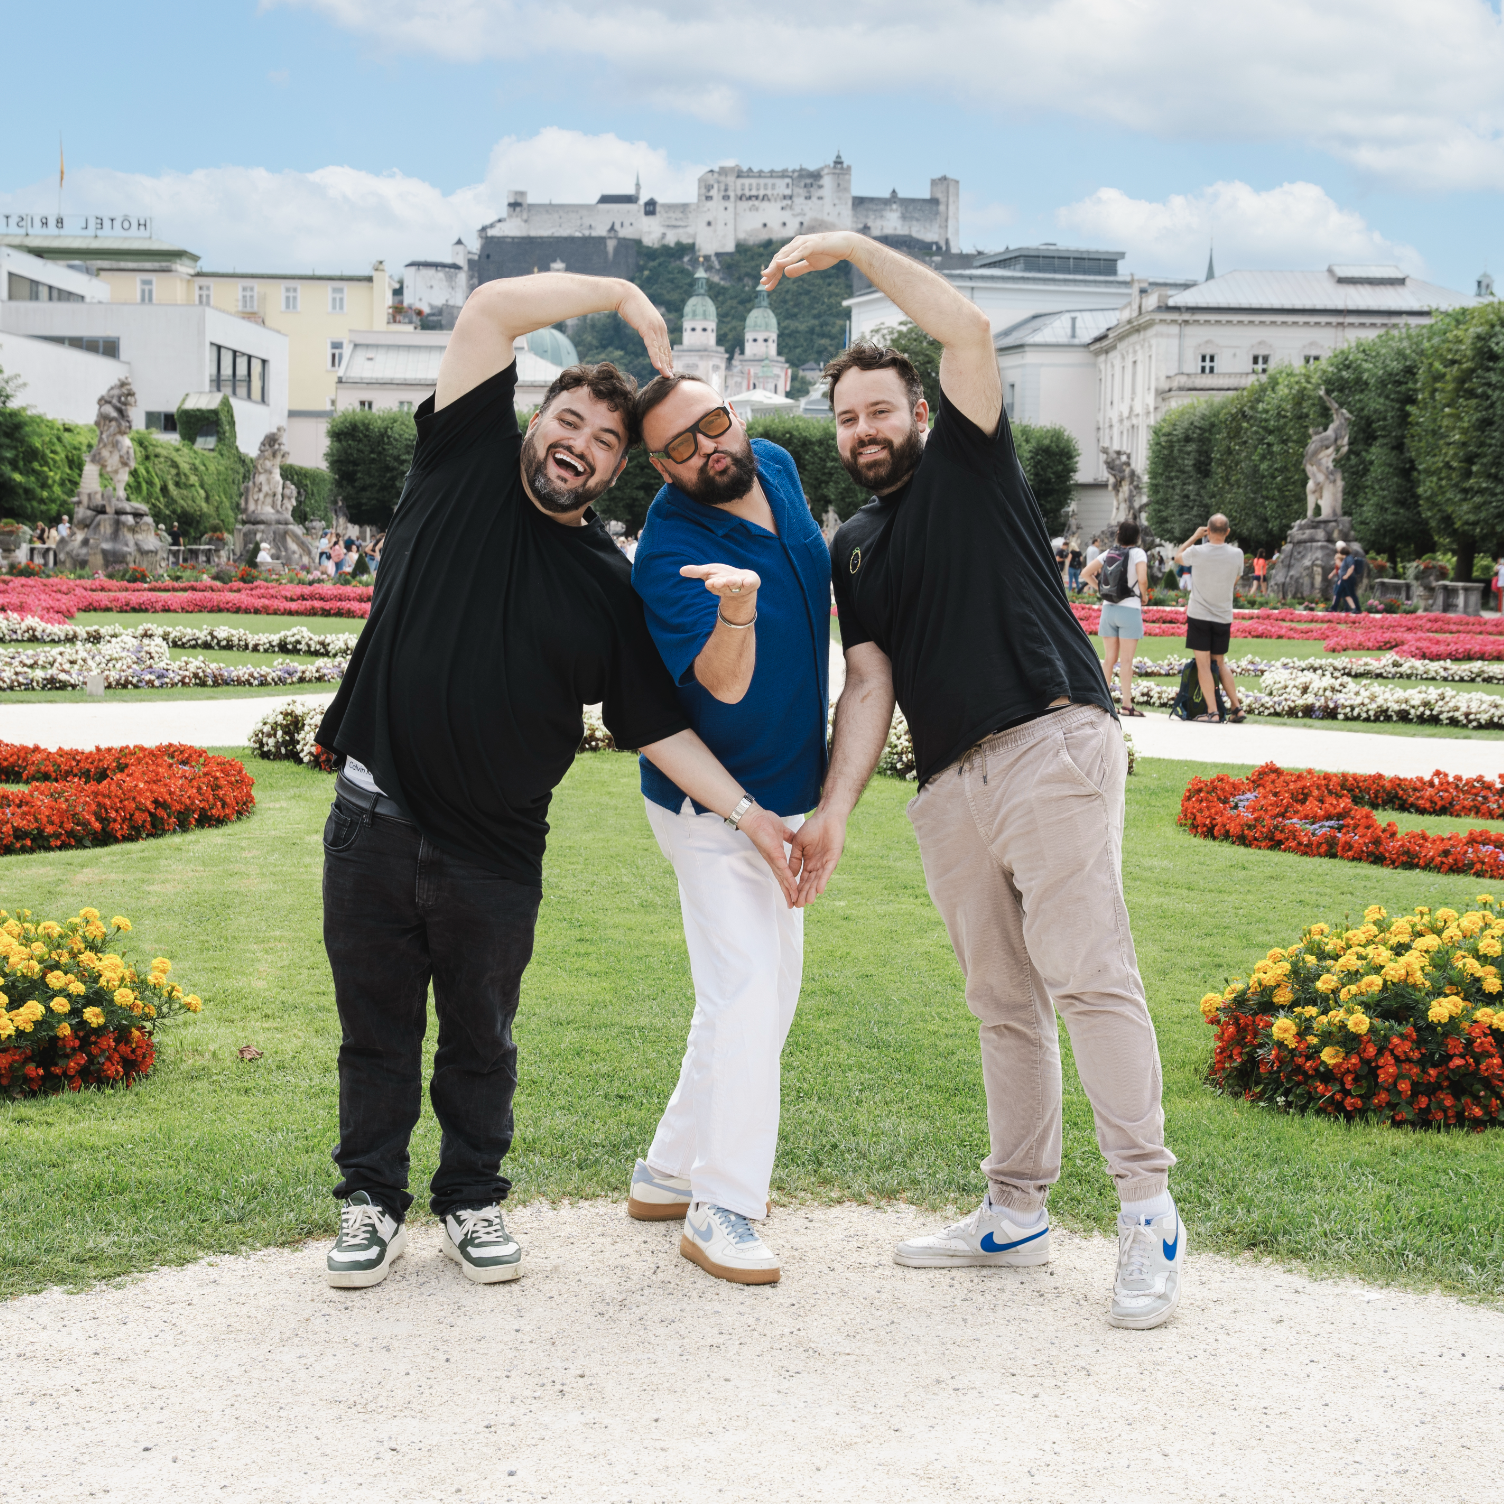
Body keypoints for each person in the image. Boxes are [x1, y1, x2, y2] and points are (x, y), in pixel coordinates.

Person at [314, 271, 799, 1291]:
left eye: (605, 439)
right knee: (376, 1031)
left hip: (495, 848)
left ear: (619, 470)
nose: (579, 440)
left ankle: (472, 1201)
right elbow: (488, 309)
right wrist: (624, 294)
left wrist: (752, 815)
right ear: (535, 421)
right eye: (567, 419)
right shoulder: (458, 463)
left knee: (482, 1040)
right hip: (374, 815)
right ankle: (368, 1201)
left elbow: (659, 726)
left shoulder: (605, 583)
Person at [769, 230, 1185, 1330]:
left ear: (916, 411)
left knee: (1090, 975)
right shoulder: (850, 541)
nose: (863, 431)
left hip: (1047, 739)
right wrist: (836, 812)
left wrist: (853, 247)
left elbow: (967, 327)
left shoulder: (971, 454)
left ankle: (1147, 1210)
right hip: (947, 781)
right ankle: (1016, 1208)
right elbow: (866, 683)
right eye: (846, 418)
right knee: (1001, 1000)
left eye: (879, 410)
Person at [626, 375, 831, 1286]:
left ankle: (670, 1170)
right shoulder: (670, 542)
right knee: (751, 988)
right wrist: (737, 608)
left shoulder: (779, 464)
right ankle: (724, 1207)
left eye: (713, 425)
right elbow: (725, 685)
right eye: (679, 446)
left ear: (736, 416)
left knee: (759, 990)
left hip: (788, 790)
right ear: (658, 466)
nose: (707, 448)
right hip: (711, 804)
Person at [1174, 516, 1246, 724]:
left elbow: (1178, 557)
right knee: (1220, 663)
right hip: (1223, 614)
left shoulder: (1198, 551)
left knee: (1203, 664)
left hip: (1199, 614)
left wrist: (1195, 537)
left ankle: (1213, 712)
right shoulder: (1237, 554)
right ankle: (1237, 707)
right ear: (1228, 532)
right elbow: (1235, 580)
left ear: (1208, 530)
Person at [1081, 519, 1149, 717]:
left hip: (1109, 609)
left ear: (1118, 534)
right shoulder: (1138, 553)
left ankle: (1103, 702)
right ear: (1137, 537)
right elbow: (1142, 578)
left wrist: (1101, 590)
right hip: (1130, 609)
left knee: (1108, 659)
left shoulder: (1109, 552)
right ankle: (1127, 704)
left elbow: (1086, 573)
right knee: (1126, 661)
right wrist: (1143, 595)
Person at [1330, 543, 1363, 613]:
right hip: (1343, 579)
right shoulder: (1346, 558)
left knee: (1351, 594)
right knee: (1339, 593)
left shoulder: (1349, 558)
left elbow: (1351, 567)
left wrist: (1347, 575)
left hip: (1348, 579)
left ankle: (1357, 609)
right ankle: (1334, 608)